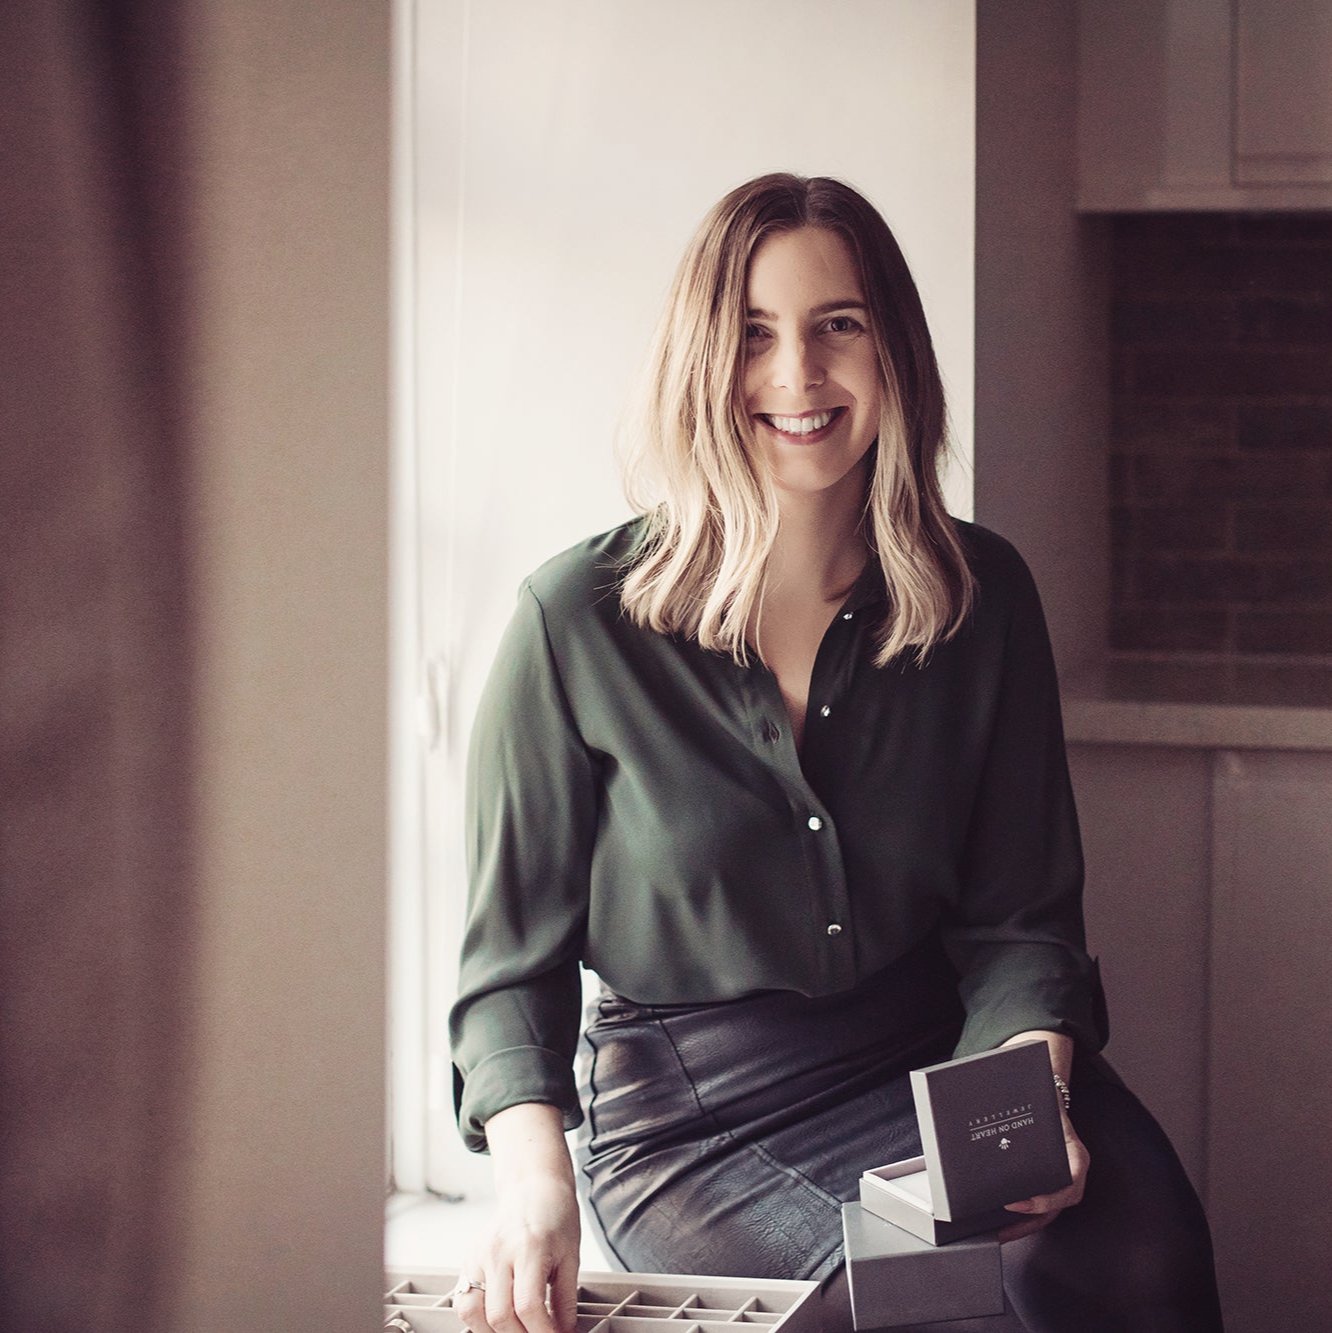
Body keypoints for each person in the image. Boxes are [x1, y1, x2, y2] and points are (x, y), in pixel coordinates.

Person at [447, 173, 1223, 1333]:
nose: (798, 375)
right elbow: (510, 972)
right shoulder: (572, 623)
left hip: (946, 1049)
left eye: (837, 326)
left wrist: (1030, 1101)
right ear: (703, 362)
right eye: (754, 334)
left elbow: (1021, 922)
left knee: (1136, 1265)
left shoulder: (982, 595)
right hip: (700, 1117)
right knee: (938, 1313)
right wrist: (533, 1187)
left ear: (892, 351)